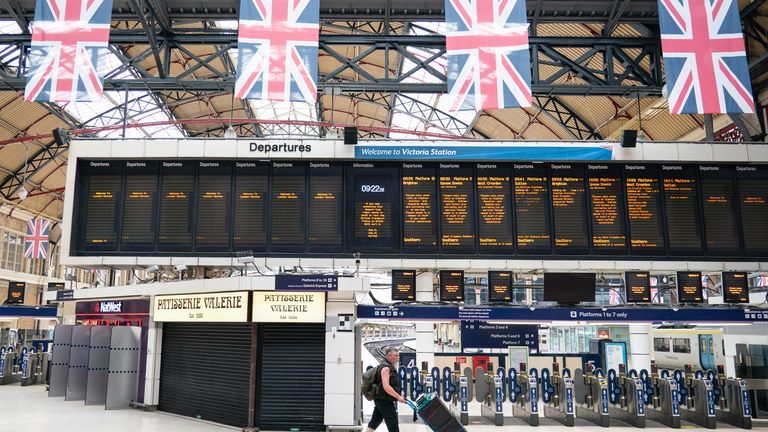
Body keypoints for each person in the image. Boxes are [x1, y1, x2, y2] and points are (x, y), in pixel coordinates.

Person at [366, 347, 406, 432]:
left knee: (373, 423)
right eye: (396, 355)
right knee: (393, 426)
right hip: (384, 400)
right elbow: (386, 386)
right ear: (389, 356)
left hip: (381, 399)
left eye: (398, 355)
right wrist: (398, 397)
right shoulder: (385, 368)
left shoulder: (388, 367)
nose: (398, 357)